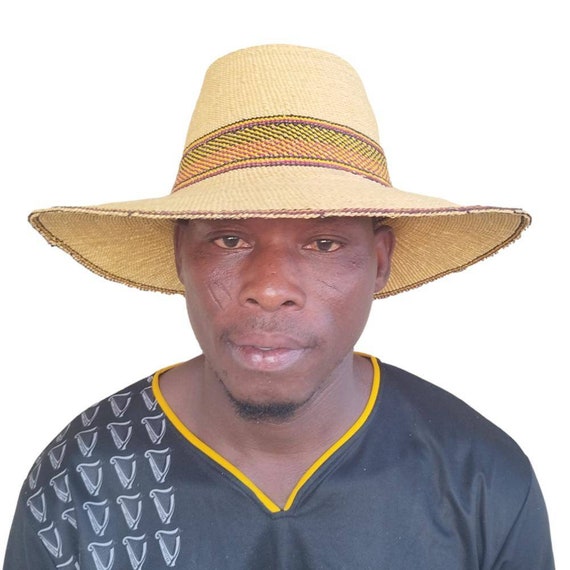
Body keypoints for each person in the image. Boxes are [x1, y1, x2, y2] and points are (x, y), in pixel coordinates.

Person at [3, 44, 554, 569]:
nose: (269, 288)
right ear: (179, 254)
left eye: (324, 244)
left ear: (379, 261)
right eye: (230, 239)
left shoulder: (482, 480)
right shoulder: (79, 483)